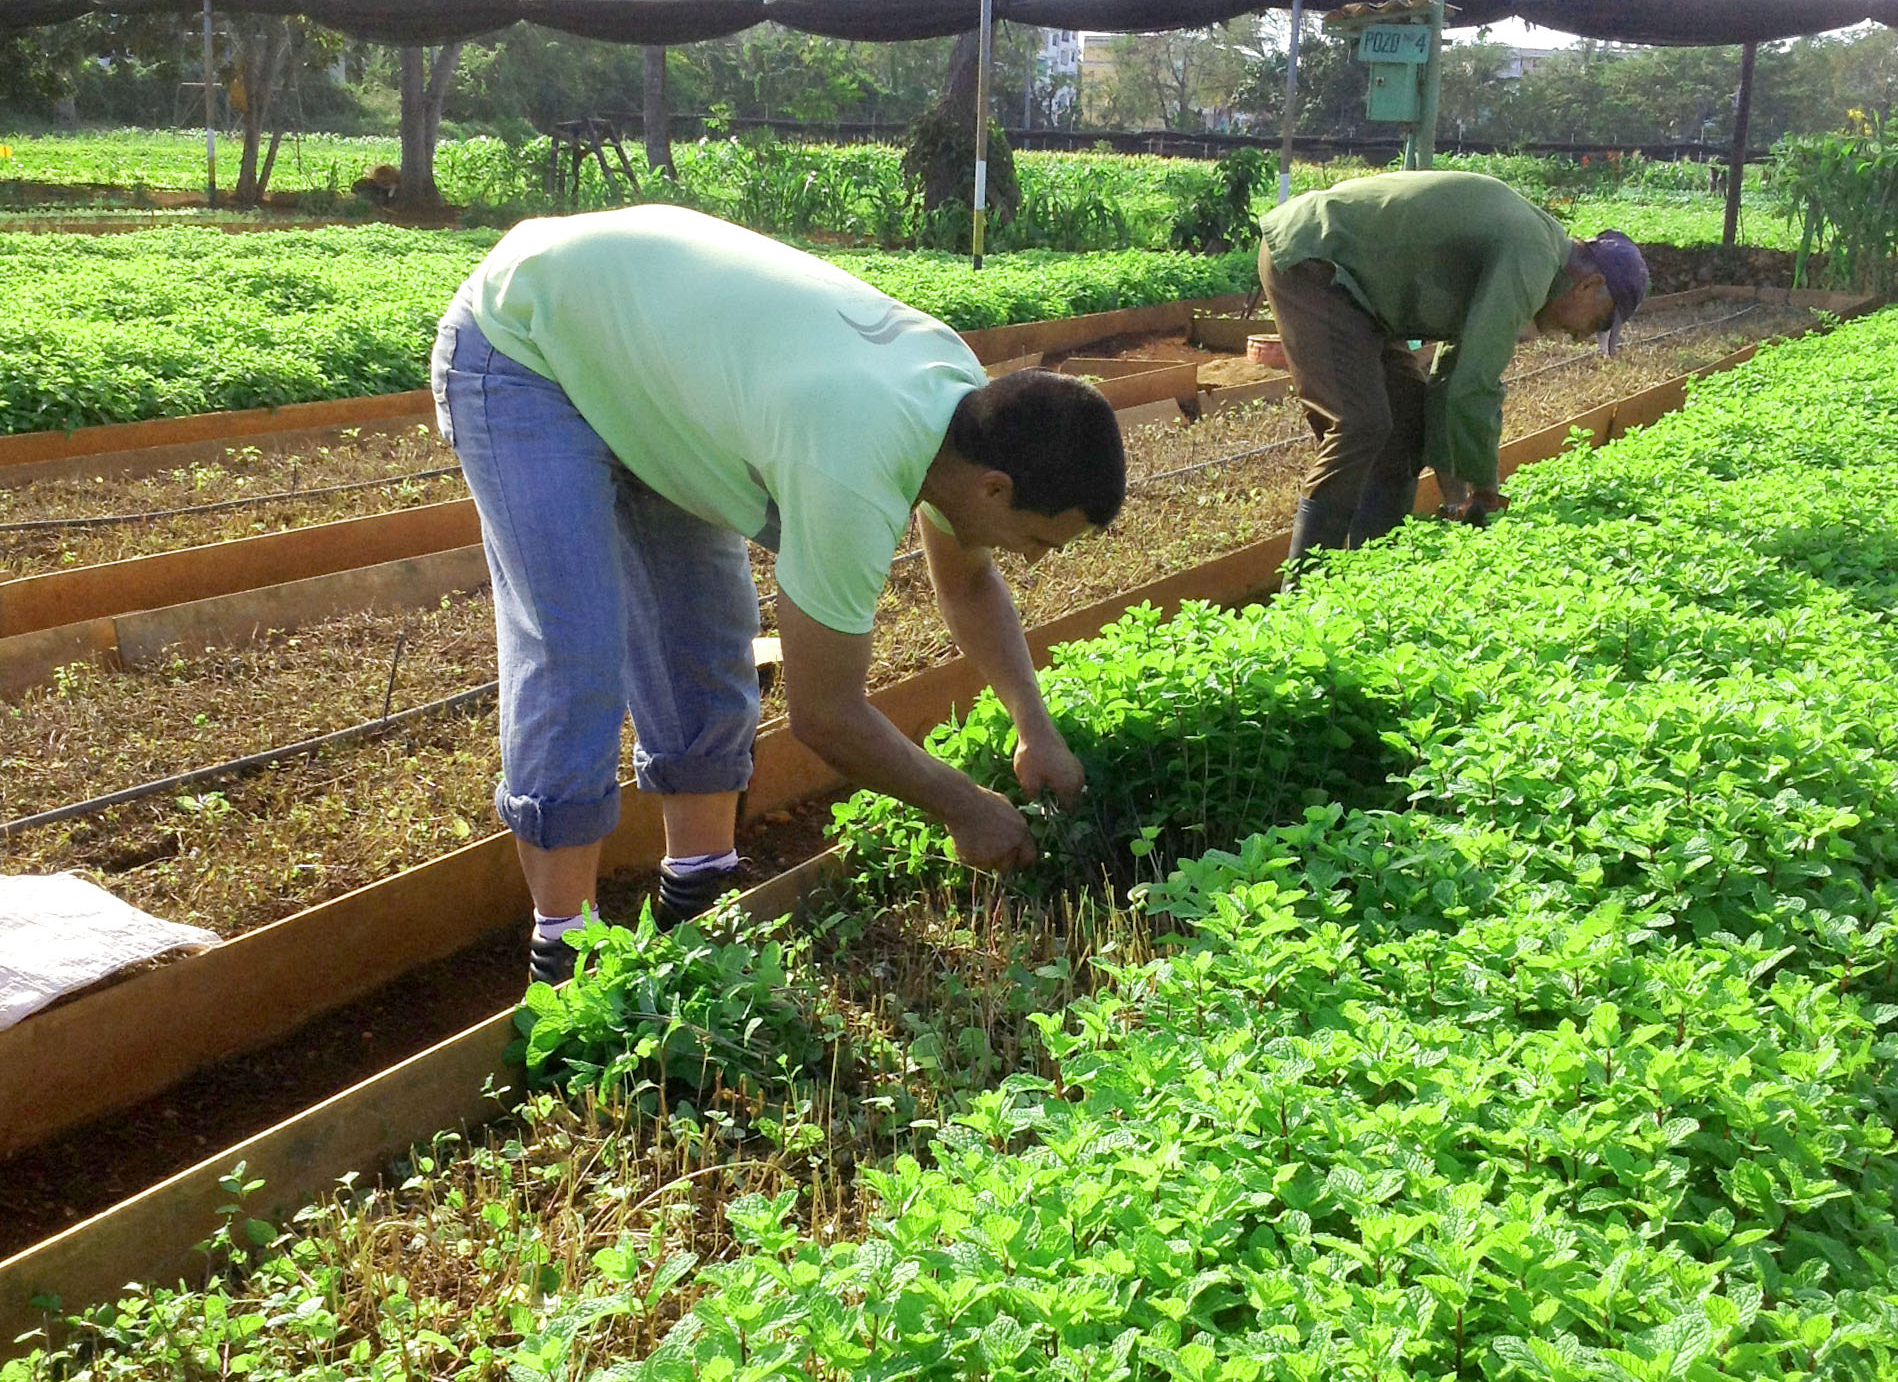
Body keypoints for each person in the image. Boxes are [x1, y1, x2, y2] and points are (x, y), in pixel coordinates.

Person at [430, 205, 1126, 985]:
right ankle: (565, 953)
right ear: (996, 489)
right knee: (577, 647)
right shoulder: (853, 466)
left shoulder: (962, 408)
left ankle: (697, 895)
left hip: (648, 355)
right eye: (1039, 539)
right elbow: (827, 715)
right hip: (530, 338)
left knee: (708, 630)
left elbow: (968, 582)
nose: (1030, 559)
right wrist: (964, 804)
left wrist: (1036, 727)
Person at [1256, 170, 1648, 580]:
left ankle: (1368, 580)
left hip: (1363, 294)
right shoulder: (1534, 257)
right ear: (1590, 285)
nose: (1581, 336)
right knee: (1359, 424)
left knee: (1406, 426)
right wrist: (1485, 489)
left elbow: (1452, 375)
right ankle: (1300, 590)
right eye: (1599, 323)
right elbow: (1474, 385)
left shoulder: (1537, 254)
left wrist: (1458, 497)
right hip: (1316, 261)